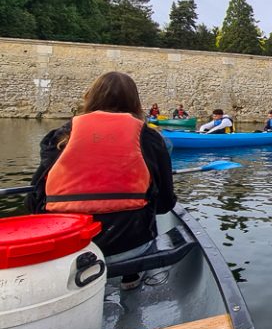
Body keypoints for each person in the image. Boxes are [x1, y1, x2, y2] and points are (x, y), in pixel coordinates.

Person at [24, 72, 176, 289]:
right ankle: (130, 279)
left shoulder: (59, 137)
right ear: (135, 102)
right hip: (129, 248)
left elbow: (34, 201)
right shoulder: (149, 138)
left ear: (91, 97)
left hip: (68, 248)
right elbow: (165, 205)